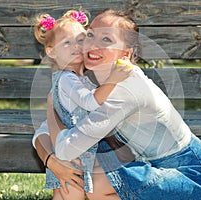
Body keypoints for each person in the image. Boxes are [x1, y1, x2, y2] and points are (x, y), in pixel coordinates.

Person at [33, 9, 201, 200]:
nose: (92, 45)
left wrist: (51, 108)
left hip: (191, 174)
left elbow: (67, 148)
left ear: (125, 54)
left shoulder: (123, 90)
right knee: (94, 179)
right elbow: (49, 129)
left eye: (107, 40)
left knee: (96, 182)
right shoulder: (90, 77)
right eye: (90, 35)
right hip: (148, 164)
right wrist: (50, 160)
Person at [33, 9, 132, 200]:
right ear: (51, 52)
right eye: (67, 42)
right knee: (69, 195)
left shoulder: (81, 79)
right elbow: (89, 102)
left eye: (80, 40)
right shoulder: (67, 80)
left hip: (81, 153)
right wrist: (114, 79)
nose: (76, 46)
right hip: (70, 157)